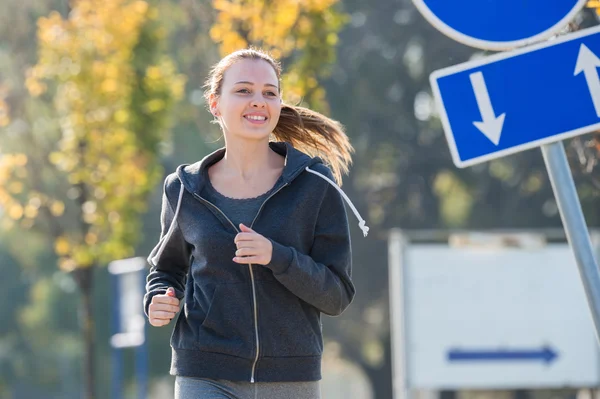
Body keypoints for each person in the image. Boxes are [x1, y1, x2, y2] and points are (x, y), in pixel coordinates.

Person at [143, 47, 369, 399]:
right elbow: (166, 270)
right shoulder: (184, 188)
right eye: (243, 90)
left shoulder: (314, 184)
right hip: (205, 372)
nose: (258, 101)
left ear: (279, 104)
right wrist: (159, 298)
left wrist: (277, 257)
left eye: (269, 92)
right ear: (215, 103)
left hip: (290, 377)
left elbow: (336, 295)